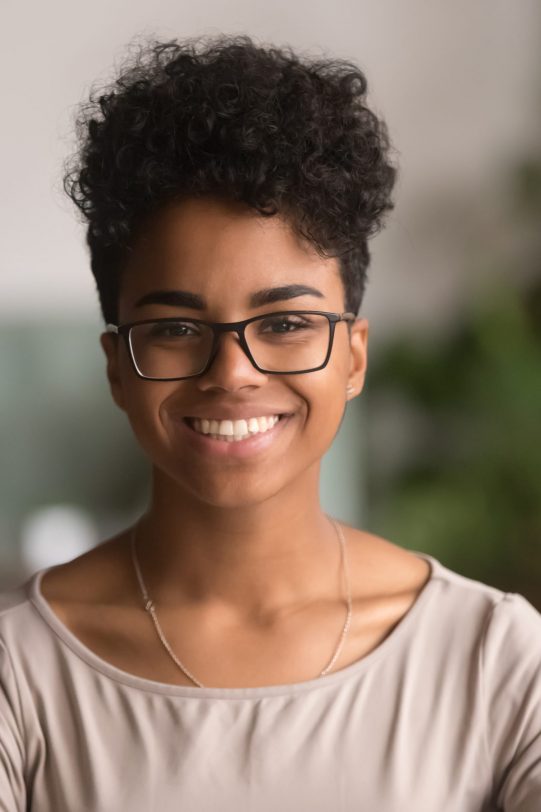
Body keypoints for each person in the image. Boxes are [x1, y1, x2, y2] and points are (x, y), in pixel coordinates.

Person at [1, 34, 540, 812]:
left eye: (285, 322)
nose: (232, 374)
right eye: (178, 329)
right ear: (117, 366)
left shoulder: (492, 657)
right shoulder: (21, 674)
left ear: (353, 356)